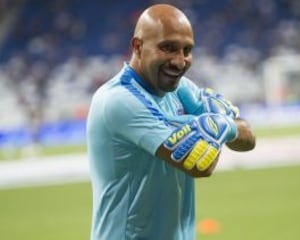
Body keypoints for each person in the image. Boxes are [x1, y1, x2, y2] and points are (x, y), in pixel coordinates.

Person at [86, 4, 256, 240]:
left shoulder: (178, 87)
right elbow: (198, 165)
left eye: (187, 50)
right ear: (138, 47)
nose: (179, 61)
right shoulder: (118, 101)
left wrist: (221, 126)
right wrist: (220, 124)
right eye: (168, 48)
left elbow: (248, 139)